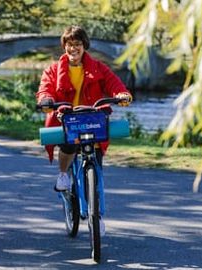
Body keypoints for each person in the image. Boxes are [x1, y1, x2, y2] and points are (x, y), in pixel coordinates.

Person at [36, 25, 132, 234]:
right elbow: (45, 88)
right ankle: (63, 174)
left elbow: (114, 83)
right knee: (69, 146)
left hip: (93, 120)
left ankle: (97, 216)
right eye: (69, 45)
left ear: (84, 46)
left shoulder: (98, 67)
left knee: (96, 171)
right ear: (65, 47)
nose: (73, 49)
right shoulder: (53, 70)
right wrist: (46, 100)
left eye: (77, 44)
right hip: (68, 120)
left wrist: (122, 94)